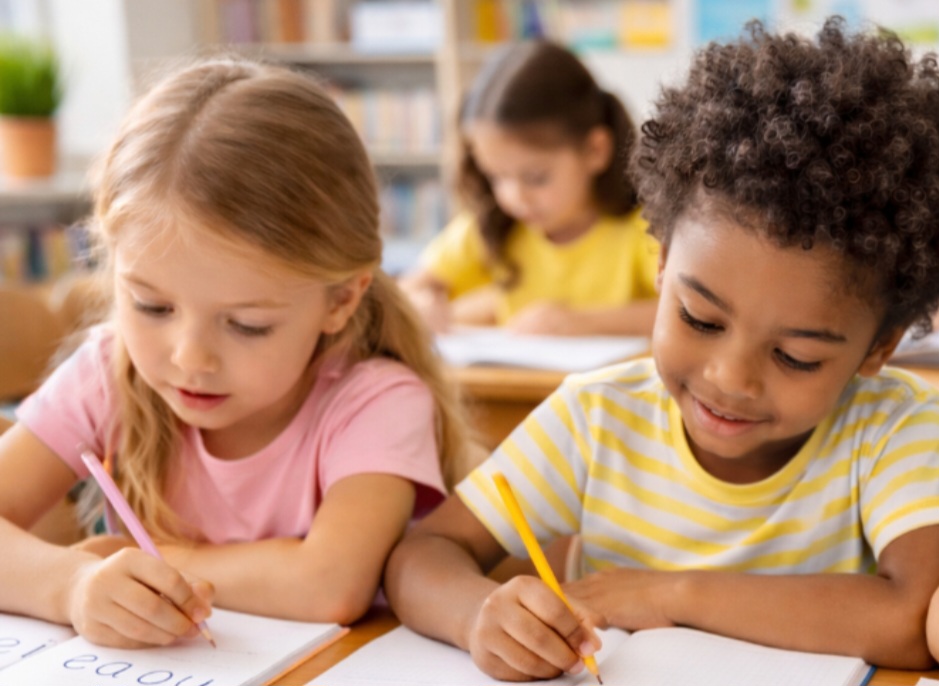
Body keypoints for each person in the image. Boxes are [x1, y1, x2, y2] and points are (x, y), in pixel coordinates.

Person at [385, 17, 939, 680]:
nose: (729, 379)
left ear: (878, 348)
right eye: (700, 319)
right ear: (662, 264)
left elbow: (912, 619)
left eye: (795, 356)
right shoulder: (595, 418)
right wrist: (476, 614)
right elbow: (420, 557)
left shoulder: (892, 428)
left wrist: (669, 594)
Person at [0, 58, 472, 648]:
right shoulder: (106, 374)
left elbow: (330, 584)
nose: (191, 358)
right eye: (152, 306)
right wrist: (69, 584)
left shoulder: (378, 402)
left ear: (341, 299)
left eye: (248, 325)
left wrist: (145, 558)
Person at [400, 40, 659, 336]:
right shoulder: (494, 226)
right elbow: (410, 288)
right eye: (496, 176)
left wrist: (582, 322)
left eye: (536, 177)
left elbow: (682, 314)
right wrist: (421, 301)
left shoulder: (643, 228)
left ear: (595, 150)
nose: (514, 197)